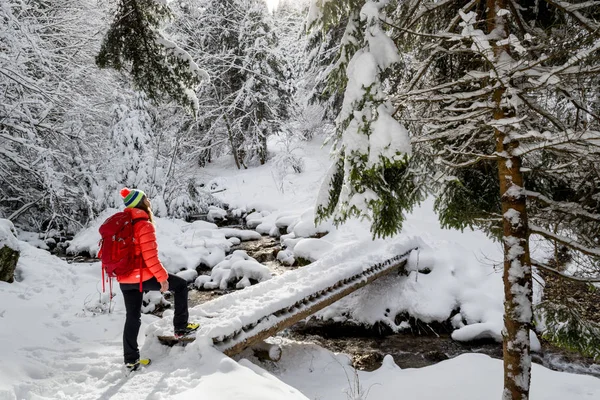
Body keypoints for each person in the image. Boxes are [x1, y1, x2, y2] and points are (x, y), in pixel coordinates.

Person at [117, 187, 199, 371]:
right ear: (140, 202)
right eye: (146, 198)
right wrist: (162, 279)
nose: (149, 200)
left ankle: (131, 360)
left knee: (132, 317)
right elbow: (150, 258)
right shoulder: (143, 224)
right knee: (180, 285)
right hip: (140, 277)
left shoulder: (124, 223)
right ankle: (181, 328)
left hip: (124, 279)